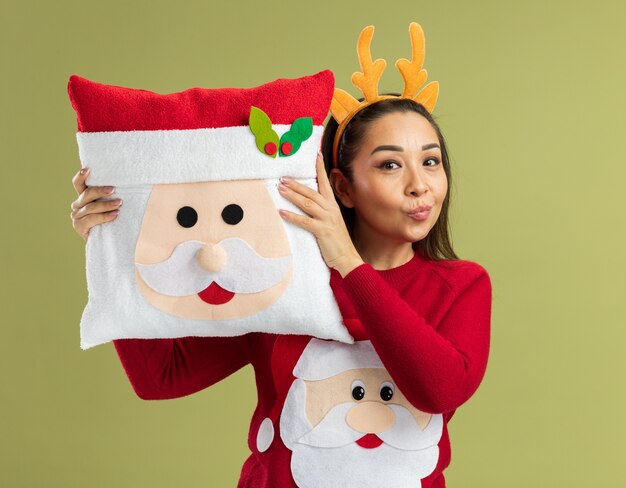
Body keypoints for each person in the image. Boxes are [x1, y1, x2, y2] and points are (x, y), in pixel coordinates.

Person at [70, 25, 491, 488]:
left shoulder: (463, 285)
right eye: (390, 164)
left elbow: (440, 390)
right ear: (343, 187)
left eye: (430, 161)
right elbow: (161, 378)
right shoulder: (287, 280)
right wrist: (113, 241)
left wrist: (348, 264)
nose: (419, 184)